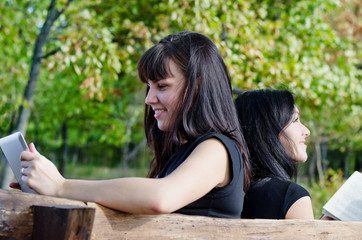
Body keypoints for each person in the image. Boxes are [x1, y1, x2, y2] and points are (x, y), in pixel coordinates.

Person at [11, 31, 251, 219]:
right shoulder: (181, 153)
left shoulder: (217, 149)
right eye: (149, 86)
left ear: (196, 87)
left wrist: (61, 186)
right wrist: (47, 188)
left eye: (162, 86)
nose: (149, 99)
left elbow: (160, 198)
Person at [235, 89, 314, 219]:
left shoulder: (229, 193)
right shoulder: (291, 197)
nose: (306, 131)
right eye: (295, 120)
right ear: (267, 130)